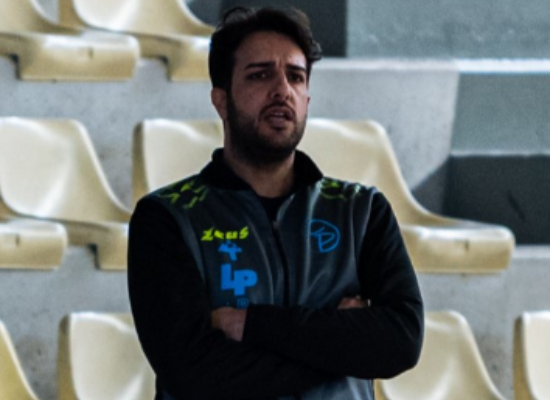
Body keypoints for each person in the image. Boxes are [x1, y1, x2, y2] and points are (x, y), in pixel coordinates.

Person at [128, 6, 423, 400]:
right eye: (260, 75)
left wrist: (254, 325)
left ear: (307, 98)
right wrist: (343, 346)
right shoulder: (167, 217)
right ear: (221, 100)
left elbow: (401, 341)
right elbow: (194, 373)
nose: (282, 90)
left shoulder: (361, 210)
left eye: (295, 77)